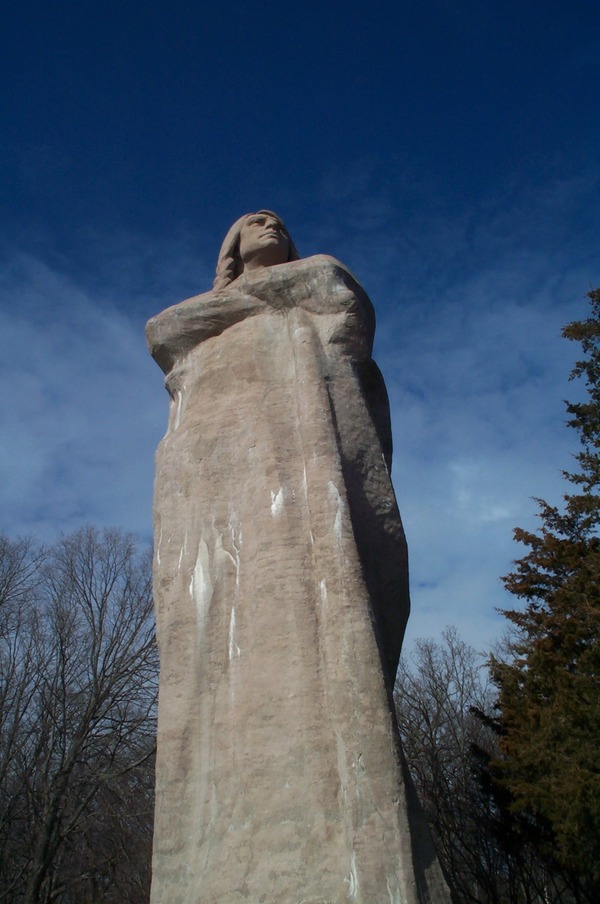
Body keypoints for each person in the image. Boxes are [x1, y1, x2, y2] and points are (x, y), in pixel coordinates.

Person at [146, 213, 448, 904]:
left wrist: (252, 307)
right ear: (227, 248)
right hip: (216, 491)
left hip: (307, 479)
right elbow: (163, 334)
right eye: (251, 221)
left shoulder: (309, 286)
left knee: (325, 617)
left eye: (278, 220)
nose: (266, 223)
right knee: (212, 645)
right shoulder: (234, 317)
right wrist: (268, 301)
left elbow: (340, 295)